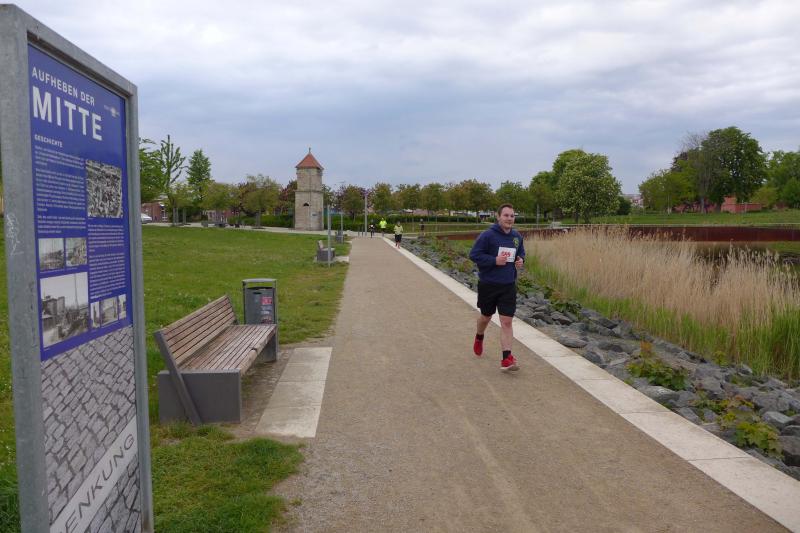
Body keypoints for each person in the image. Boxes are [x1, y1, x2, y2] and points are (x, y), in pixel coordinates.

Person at [469, 204, 525, 371]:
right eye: (506, 215)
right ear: (498, 216)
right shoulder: (487, 235)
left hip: (508, 285)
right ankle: (479, 336)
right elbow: (474, 255)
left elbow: (521, 253)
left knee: (506, 322)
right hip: (488, 284)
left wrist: (520, 260)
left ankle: (507, 358)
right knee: (485, 317)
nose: (509, 219)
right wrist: (494, 260)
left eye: (512, 216)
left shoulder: (516, 236)